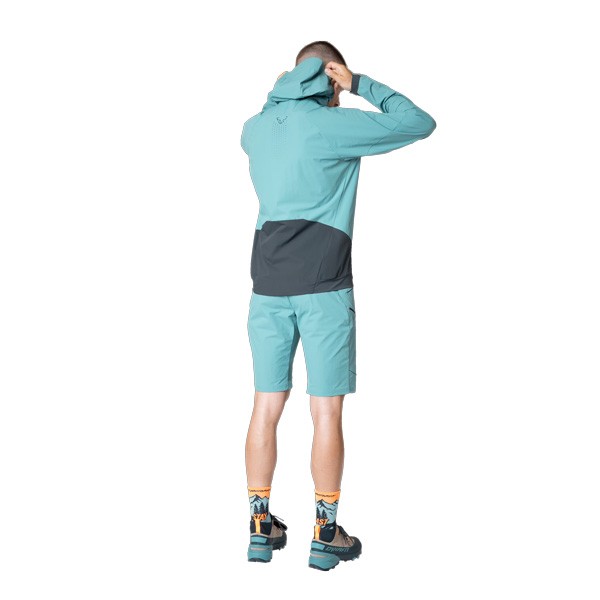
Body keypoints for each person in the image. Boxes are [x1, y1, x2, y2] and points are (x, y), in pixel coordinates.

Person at [241, 40, 436, 571]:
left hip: (267, 285)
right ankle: (325, 535)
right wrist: (359, 83)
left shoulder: (255, 129)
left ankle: (259, 529)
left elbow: (270, 119)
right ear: (331, 77)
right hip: (324, 285)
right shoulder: (334, 124)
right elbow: (419, 122)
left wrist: (283, 90)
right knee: (325, 410)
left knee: (265, 405)